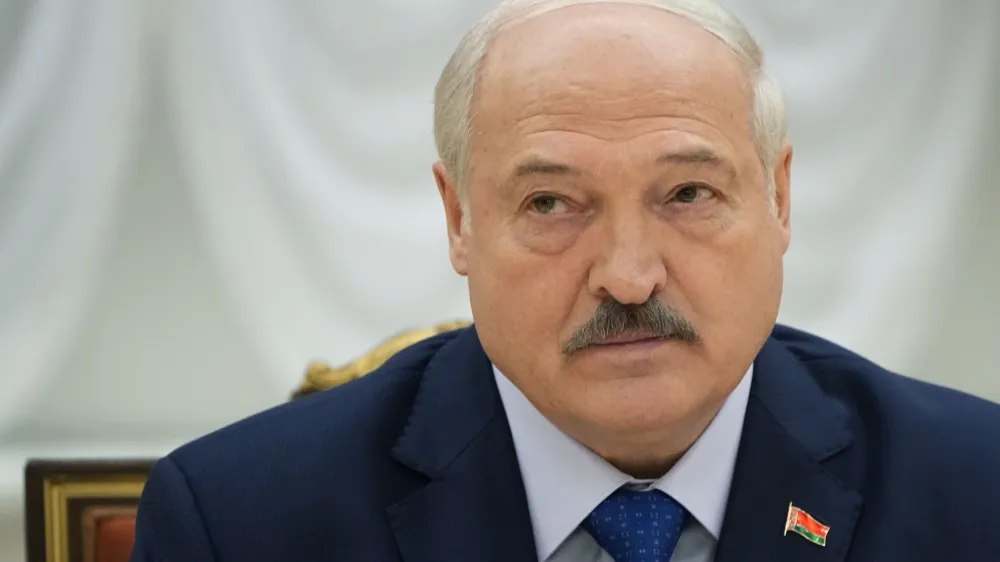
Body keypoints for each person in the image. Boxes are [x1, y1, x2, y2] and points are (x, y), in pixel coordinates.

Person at [130, 0, 1000, 560]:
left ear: (778, 200)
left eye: (688, 194)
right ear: (459, 220)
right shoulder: (239, 523)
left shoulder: (975, 490)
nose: (628, 277)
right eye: (550, 203)